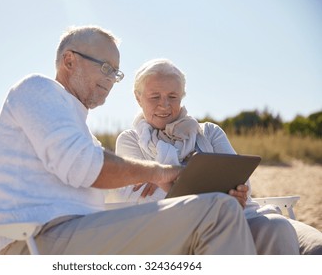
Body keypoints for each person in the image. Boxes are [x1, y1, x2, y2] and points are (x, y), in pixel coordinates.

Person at [0, 25, 257, 255]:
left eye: (116, 73)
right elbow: (86, 166)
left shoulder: (76, 124)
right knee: (217, 210)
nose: (112, 79)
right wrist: (160, 172)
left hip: (79, 235)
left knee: (223, 215)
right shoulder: (36, 89)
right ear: (69, 61)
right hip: (37, 242)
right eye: (105, 68)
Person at [108, 58, 322, 255]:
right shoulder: (130, 140)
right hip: (171, 229)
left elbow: (241, 181)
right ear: (138, 98)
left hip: (230, 215)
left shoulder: (209, 132)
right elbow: (138, 197)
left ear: (182, 97)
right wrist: (213, 197)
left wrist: (167, 184)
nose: (164, 105)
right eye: (155, 97)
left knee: (277, 226)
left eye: (172, 97)